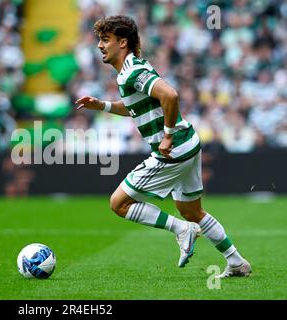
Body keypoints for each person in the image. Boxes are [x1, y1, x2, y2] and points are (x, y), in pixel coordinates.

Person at [75, 15, 251, 278]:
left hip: (172, 150)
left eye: (105, 39)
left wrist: (167, 135)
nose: (100, 45)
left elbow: (170, 95)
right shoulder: (129, 71)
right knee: (191, 210)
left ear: (122, 42)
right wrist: (103, 106)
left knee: (119, 204)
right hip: (188, 143)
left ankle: (181, 230)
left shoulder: (132, 71)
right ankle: (236, 262)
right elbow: (137, 106)